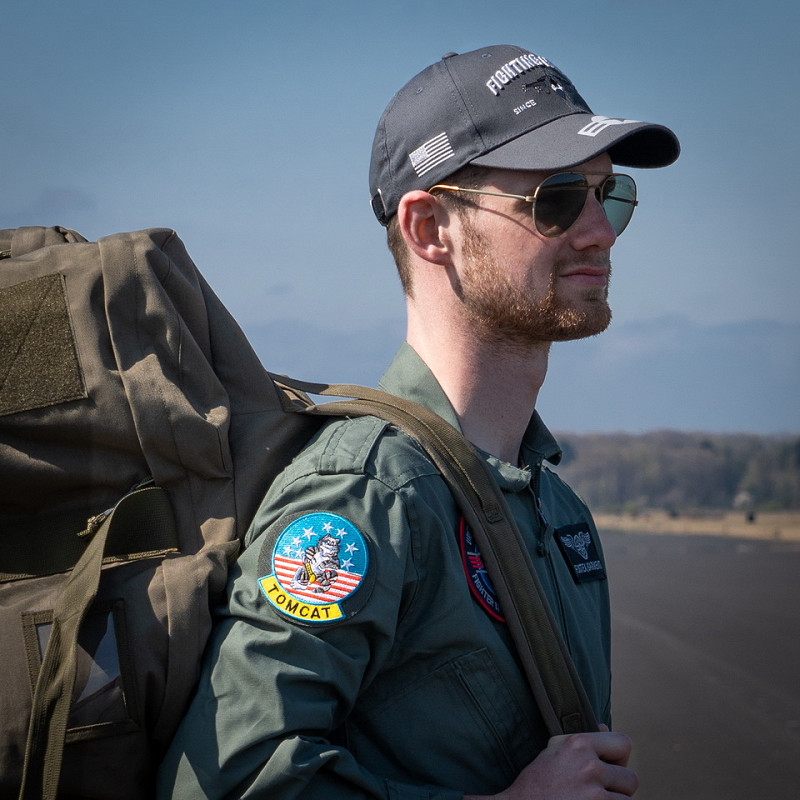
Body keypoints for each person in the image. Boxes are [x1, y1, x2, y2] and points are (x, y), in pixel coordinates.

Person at [158, 44, 679, 799]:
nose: (601, 230)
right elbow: (225, 783)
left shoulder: (556, 507)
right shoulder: (365, 495)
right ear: (431, 227)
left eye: (610, 193)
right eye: (558, 198)